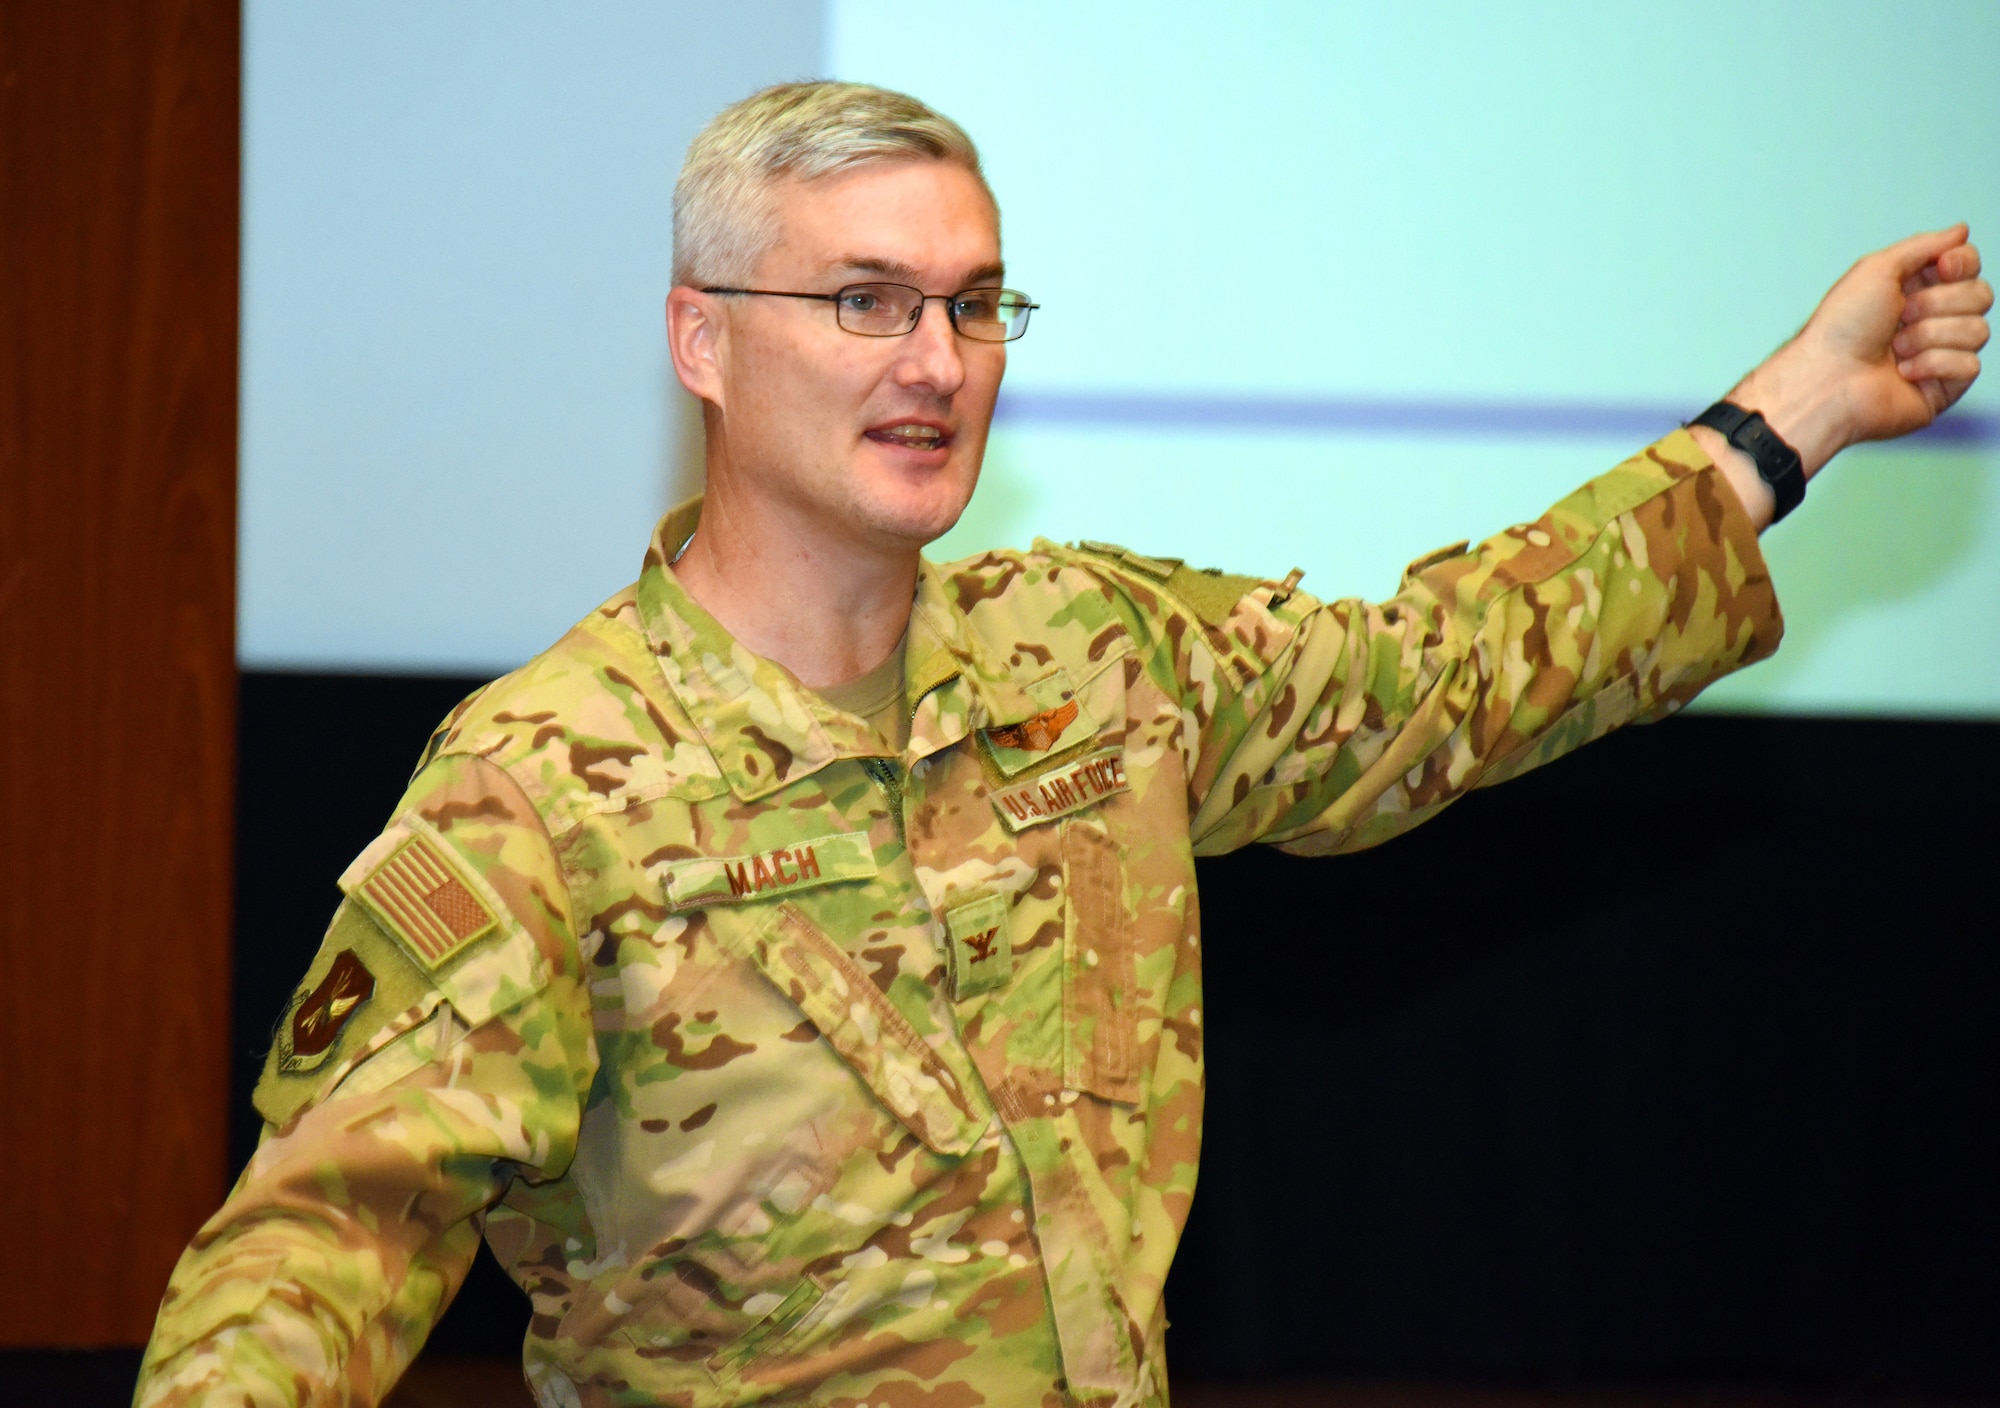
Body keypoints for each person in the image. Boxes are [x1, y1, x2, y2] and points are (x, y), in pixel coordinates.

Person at [135, 81, 1988, 1408]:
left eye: (971, 303)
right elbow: (328, 1237)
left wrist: (1796, 410)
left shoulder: (1092, 654)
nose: (934, 359)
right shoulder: (543, 778)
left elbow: (1448, 671)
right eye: (863, 300)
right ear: (703, 342)